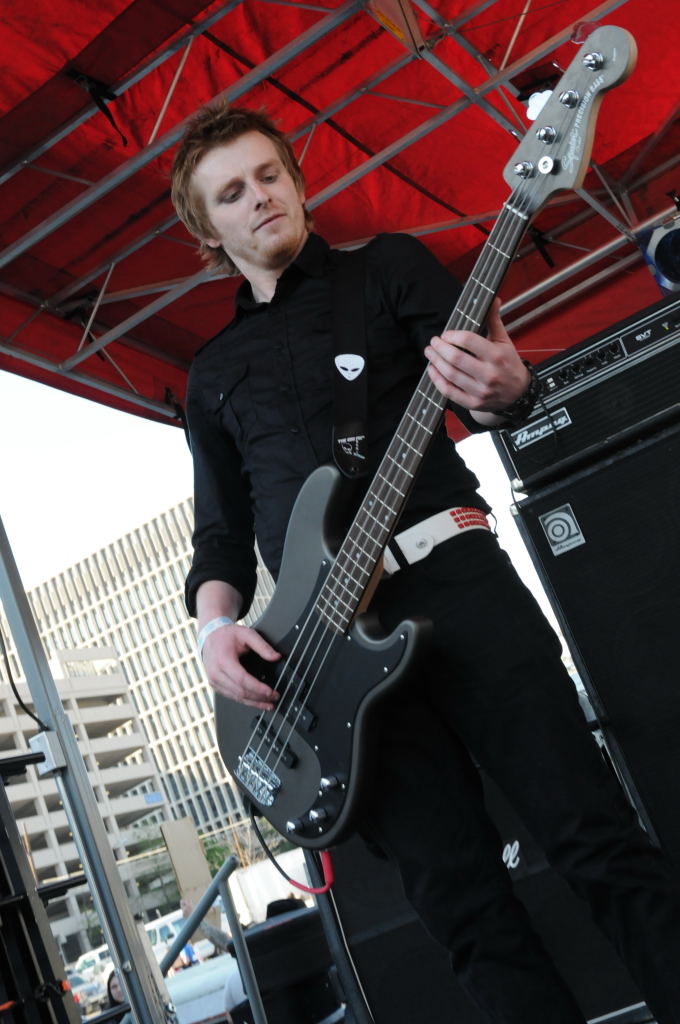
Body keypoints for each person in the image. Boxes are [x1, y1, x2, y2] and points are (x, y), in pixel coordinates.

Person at [170, 100, 680, 1024]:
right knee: (462, 907)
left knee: (594, 837)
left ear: (297, 181)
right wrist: (214, 633)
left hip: (458, 587)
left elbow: (488, 388)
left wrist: (508, 389)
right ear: (208, 229)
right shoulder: (211, 375)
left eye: (270, 174)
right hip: (329, 661)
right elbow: (221, 537)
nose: (260, 197)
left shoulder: (390, 268)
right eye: (232, 192)